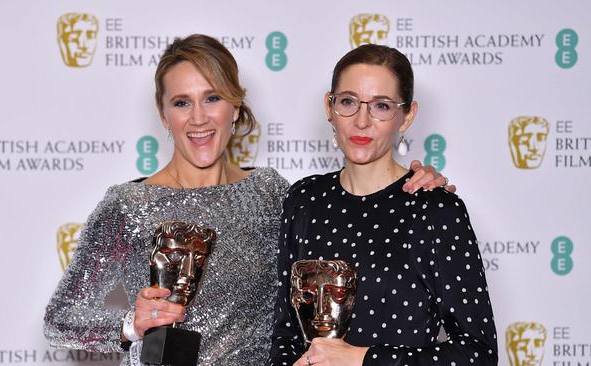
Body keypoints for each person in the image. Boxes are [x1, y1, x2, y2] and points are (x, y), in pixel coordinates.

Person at [44, 35, 449, 366]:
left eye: (213, 98)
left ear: (235, 106)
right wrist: (131, 324)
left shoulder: (273, 193)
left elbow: (350, 224)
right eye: (182, 102)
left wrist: (413, 187)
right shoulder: (128, 204)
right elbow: (60, 319)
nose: (199, 118)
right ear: (163, 113)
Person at [268, 44, 497, 366]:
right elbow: (286, 334)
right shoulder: (304, 199)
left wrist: (364, 359)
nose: (362, 121)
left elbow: (478, 353)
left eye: (381, 106)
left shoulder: (436, 209)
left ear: (407, 115)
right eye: (348, 101)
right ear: (329, 107)